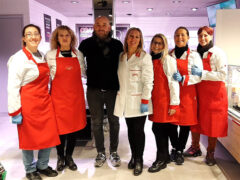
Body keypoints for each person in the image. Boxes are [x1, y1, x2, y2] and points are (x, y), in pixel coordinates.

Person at [7, 24, 60, 180]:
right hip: (28, 104)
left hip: (44, 102)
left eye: (36, 33)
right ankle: (30, 169)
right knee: (28, 138)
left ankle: (42, 165)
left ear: (40, 37)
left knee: (48, 136)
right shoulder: (18, 58)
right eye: (29, 34)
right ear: (24, 38)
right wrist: (15, 110)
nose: (33, 37)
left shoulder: (41, 55)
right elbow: (13, 87)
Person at [78, 16, 123, 167]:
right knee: (96, 123)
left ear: (109, 27)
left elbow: (123, 66)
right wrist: (87, 75)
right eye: (98, 25)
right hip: (93, 90)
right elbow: (79, 62)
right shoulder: (86, 44)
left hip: (113, 89)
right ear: (94, 27)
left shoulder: (117, 45)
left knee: (114, 122)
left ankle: (114, 151)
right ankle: (100, 152)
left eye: (104, 25)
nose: (101, 27)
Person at [184, 26, 228, 166]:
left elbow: (222, 74)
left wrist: (202, 74)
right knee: (195, 120)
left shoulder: (218, 53)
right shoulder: (195, 53)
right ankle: (195, 147)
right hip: (199, 93)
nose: (202, 39)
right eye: (200, 36)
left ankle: (210, 153)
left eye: (205, 36)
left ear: (211, 36)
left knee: (212, 124)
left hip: (215, 95)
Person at [46, 25, 86, 171]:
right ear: (57, 38)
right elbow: (45, 78)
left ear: (72, 38)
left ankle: (69, 156)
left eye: (67, 35)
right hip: (58, 99)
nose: (64, 38)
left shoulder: (79, 54)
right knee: (60, 130)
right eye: (61, 35)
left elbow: (85, 73)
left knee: (73, 130)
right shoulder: (50, 55)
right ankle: (60, 157)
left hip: (75, 98)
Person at [114, 27, 154, 176]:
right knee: (130, 131)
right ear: (126, 38)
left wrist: (145, 100)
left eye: (137, 37)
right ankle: (133, 156)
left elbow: (149, 81)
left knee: (138, 131)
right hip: (125, 101)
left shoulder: (144, 57)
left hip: (139, 101)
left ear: (140, 40)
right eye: (131, 36)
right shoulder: (122, 56)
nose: (133, 39)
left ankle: (139, 160)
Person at [169, 26, 202, 165]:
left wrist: (184, 78)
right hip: (172, 94)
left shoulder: (194, 55)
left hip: (188, 94)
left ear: (188, 37)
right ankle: (175, 147)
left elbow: (199, 76)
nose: (179, 38)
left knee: (185, 125)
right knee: (171, 123)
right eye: (177, 35)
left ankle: (180, 150)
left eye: (182, 35)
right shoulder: (169, 54)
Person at [148, 34, 180, 173]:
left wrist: (174, 104)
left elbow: (173, 83)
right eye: (155, 42)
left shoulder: (167, 60)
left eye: (160, 43)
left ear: (165, 45)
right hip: (155, 101)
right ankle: (165, 157)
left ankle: (160, 160)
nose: (156, 45)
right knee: (161, 130)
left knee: (158, 130)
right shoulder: (150, 59)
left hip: (164, 101)